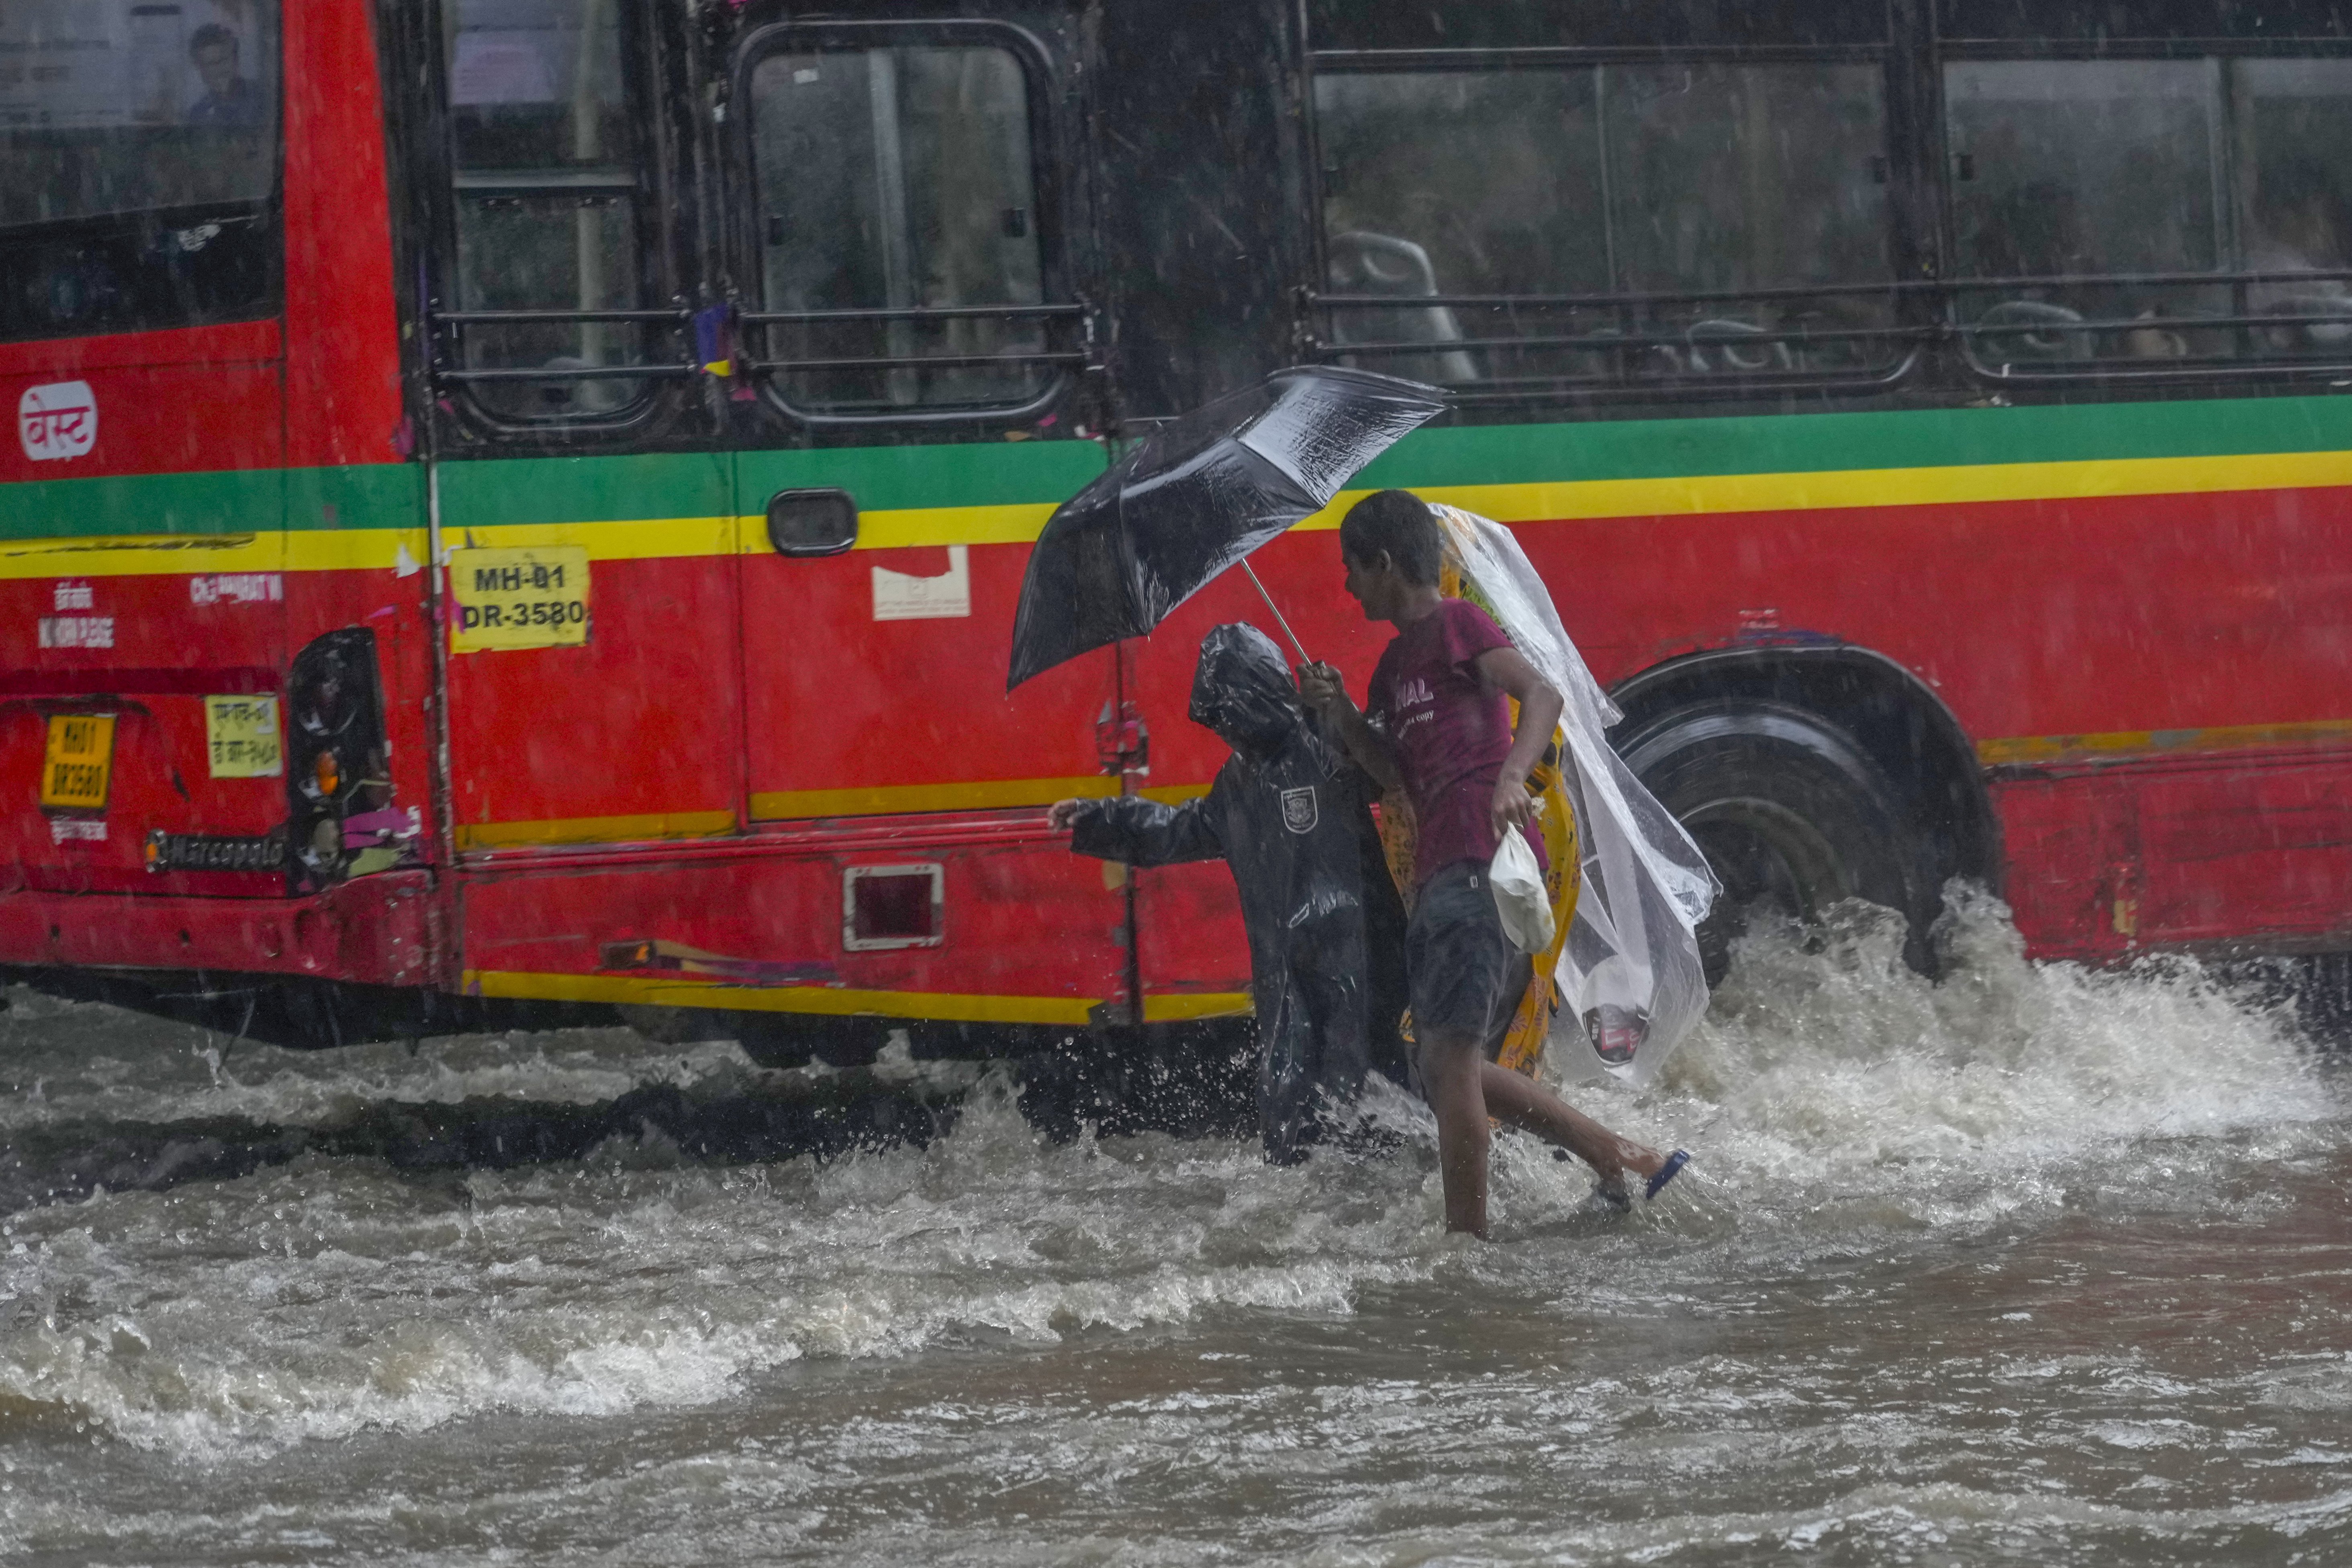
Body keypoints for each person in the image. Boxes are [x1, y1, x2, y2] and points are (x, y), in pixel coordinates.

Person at [1297, 490, 1686, 1237]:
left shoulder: (1457, 624)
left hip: (1483, 863)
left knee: (1447, 1061)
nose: (1348, 587)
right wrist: (1342, 711)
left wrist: (1512, 776)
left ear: (1384, 563)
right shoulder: (1391, 667)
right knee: (1445, 1057)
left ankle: (1466, 1248)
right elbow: (1394, 775)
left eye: (1353, 569)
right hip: (1440, 871)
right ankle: (1622, 1155)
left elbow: (1541, 692)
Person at [1046, 624, 1410, 1164]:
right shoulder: (1238, 783)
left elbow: (1386, 765)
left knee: (1370, 1104)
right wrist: (1097, 819)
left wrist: (1331, 710)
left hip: (1358, 963)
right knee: (1293, 1110)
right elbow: (1177, 829)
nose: (1228, 731)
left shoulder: (1323, 744)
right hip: (1288, 974)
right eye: (1218, 719)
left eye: (1231, 714)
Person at [186, 23, 264, 127]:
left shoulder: (264, 100)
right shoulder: (197, 116)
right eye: (211, 64)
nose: (219, 70)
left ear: (236, 59)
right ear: (201, 69)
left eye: (224, 60)